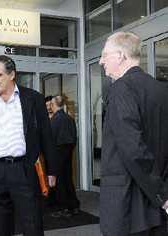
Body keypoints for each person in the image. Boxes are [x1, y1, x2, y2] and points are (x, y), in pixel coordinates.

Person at [0, 55, 57, 236]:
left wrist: (51, 171)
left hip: (23, 169)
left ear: (12, 75)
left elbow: (46, 137)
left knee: (32, 224)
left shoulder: (33, 98)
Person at [99, 31, 168, 236]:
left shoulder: (120, 89)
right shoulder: (161, 90)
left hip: (128, 205)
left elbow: (133, 148)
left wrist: (161, 194)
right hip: (155, 208)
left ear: (120, 56)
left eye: (105, 55)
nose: (102, 61)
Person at [50, 95, 79, 217]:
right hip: (68, 152)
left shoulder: (55, 120)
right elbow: (74, 137)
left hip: (57, 153)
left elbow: (50, 138)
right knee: (68, 179)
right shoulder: (69, 118)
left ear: (54, 105)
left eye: (51, 103)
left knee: (60, 181)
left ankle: (64, 208)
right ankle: (74, 205)